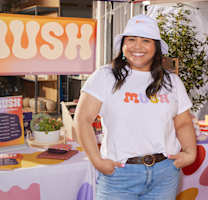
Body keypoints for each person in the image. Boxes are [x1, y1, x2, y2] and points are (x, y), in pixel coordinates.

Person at [74, 14, 196, 199]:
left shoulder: (171, 81)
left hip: (165, 173)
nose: (137, 46)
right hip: (119, 174)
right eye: (131, 39)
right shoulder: (105, 76)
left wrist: (190, 153)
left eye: (146, 40)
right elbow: (82, 119)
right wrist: (96, 160)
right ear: (123, 45)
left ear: (156, 48)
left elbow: (184, 123)